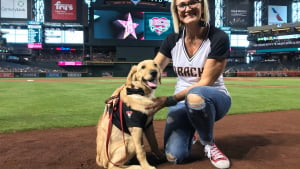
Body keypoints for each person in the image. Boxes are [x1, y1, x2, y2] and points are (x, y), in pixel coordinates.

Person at [149, 0, 232, 168]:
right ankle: (194, 128)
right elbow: (153, 70)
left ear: (202, 6)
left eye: (193, 2)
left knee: (195, 97)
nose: (187, 8)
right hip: (181, 103)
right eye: (182, 5)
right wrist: (128, 90)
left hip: (213, 99)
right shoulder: (172, 39)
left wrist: (168, 100)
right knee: (175, 157)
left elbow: (205, 83)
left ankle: (208, 142)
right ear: (176, 10)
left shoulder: (218, 37)